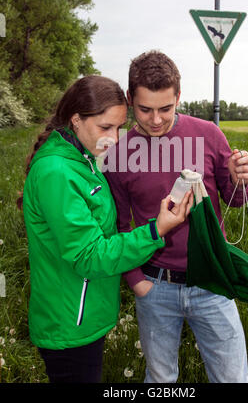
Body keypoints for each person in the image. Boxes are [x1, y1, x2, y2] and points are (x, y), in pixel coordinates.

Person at [18, 75, 193, 384]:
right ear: (76, 119)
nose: (114, 138)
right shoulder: (57, 172)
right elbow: (90, 256)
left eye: (118, 127)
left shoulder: (84, 158)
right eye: (105, 128)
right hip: (69, 324)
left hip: (83, 315)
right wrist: (156, 231)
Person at [104, 51, 248, 383]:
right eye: (145, 109)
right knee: (160, 379)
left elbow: (234, 200)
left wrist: (237, 178)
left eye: (165, 108)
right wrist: (137, 283)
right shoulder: (118, 153)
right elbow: (120, 226)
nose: (156, 120)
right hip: (154, 285)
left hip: (212, 280)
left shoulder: (209, 135)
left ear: (178, 97)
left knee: (233, 377)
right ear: (131, 100)